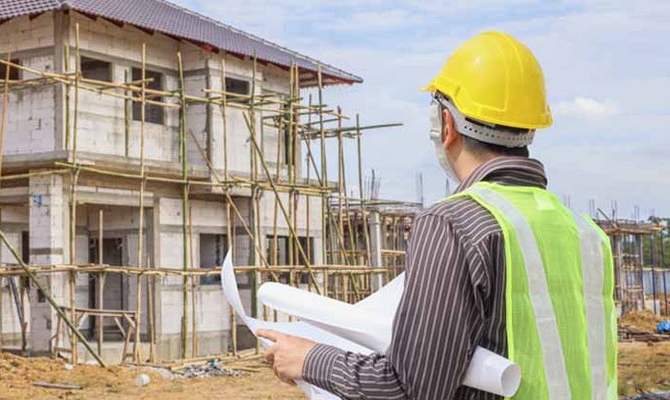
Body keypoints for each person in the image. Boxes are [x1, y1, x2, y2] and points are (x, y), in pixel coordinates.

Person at [257, 31, 617, 399]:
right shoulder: (588, 234)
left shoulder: (454, 224)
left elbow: (410, 389)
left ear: (446, 124)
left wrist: (309, 358)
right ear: (530, 129)